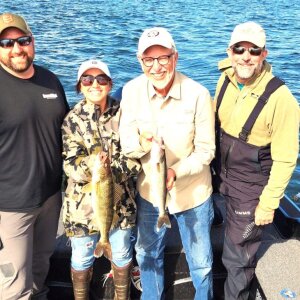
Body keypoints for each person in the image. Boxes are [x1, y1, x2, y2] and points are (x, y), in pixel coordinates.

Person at [119, 27, 215, 299]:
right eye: (149, 59)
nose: (157, 66)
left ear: (176, 57)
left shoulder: (197, 94)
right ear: (140, 61)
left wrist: (176, 171)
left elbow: (206, 151)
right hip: (150, 193)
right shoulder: (131, 91)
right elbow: (127, 144)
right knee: (146, 255)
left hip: (192, 193)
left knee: (202, 263)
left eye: (164, 58)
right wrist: (144, 143)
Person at [213, 21, 299, 300]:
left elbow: (286, 158)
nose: (246, 56)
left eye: (254, 50)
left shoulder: (281, 98)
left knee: (238, 258)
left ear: (264, 54)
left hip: (251, 185)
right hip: (222, 173)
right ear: (230, 51)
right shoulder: (224, 78)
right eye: (240, 49)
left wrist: (269, 202)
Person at [0, 13, 69, 300]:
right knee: (14, 286)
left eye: (23, 40)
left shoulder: (50, 80)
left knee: (40, 272)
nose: (17, 49)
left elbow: (69, 132)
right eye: (6, 43)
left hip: (51, 198)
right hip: (11, 207)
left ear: (33, 41)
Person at [62, 59, 141, 300]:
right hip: (81, 209)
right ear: (79, 86)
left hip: (121, 204)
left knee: (122, 253)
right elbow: (70, 164)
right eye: (87, 79)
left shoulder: (126, 114)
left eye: (101, 79)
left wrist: (110, 171)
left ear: (110, 84)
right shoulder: (71, 120)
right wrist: (93, 165)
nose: (94, 84)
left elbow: (135, 158)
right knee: (82, 256)